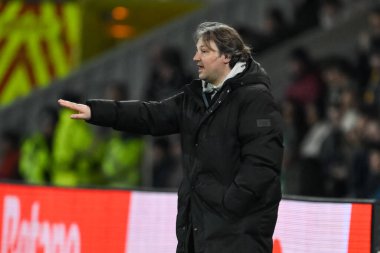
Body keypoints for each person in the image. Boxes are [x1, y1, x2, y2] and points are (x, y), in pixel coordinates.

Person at [58, 22, 283, 253]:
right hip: (198, 230)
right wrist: (97, 111)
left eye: (204, 51)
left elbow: (262, 165)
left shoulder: (255, 99)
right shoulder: (196, 98)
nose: (195, 57)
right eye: (197, 50)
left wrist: (228, 206)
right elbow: (151, 114)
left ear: (226, 56)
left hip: (235, 235)